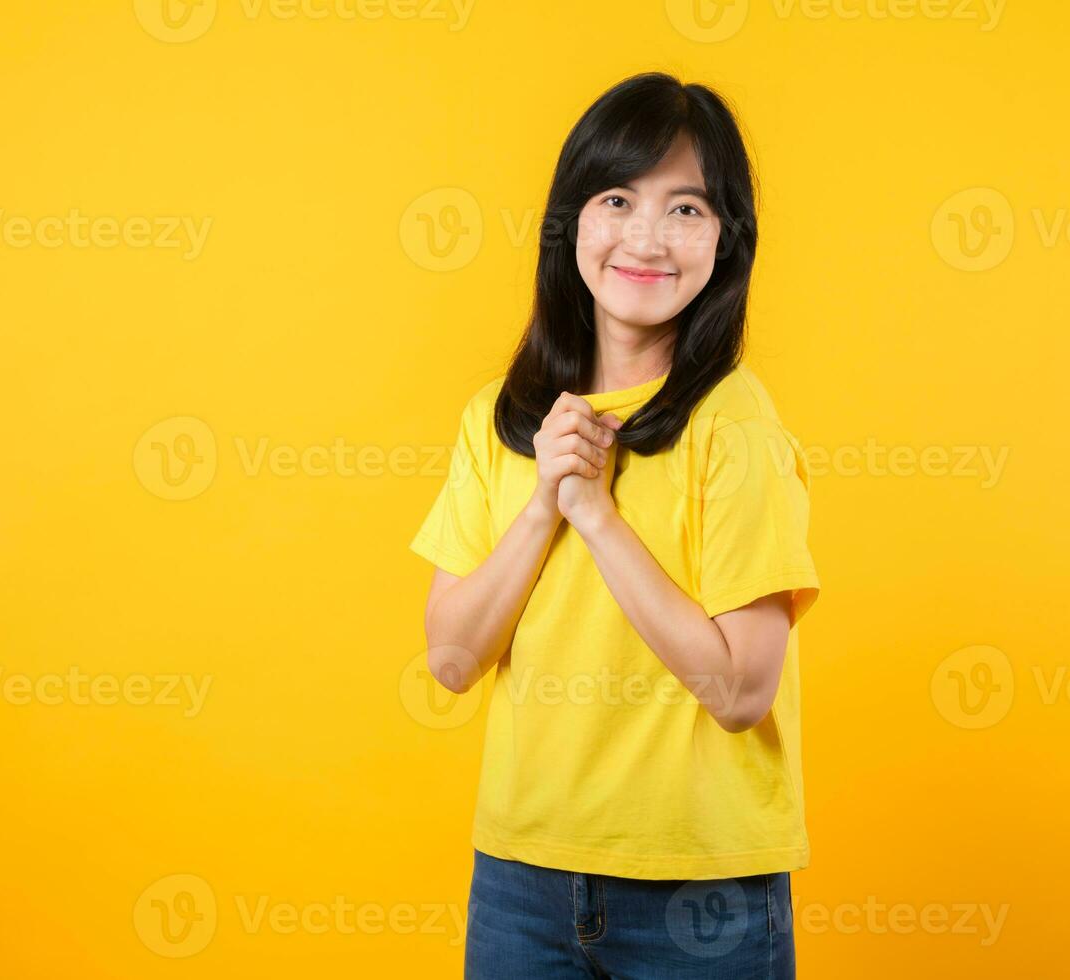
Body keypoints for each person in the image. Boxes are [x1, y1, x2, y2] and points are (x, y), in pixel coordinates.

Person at [408, 71, 821, 979]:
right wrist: (544, 506)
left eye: (687, 210)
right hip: (522, 879)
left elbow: (739, 692)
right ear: (571, 223)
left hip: (700, 888)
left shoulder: (734, 423)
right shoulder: (500, 417)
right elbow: (449, 661)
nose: (646, 238)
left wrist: (597, 514)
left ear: (726, 240)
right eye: (617, 199)